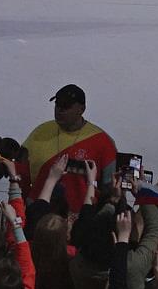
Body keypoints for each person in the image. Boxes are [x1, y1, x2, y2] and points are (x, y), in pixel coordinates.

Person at [18, 84, 117, 214]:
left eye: (66, 106)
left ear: (82, 109)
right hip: (38, 214)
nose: (60, 110)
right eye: (57, 104)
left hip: (81, 217)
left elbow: (110, 188)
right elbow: (21, 172)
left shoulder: (102, 141)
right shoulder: (39, 133)